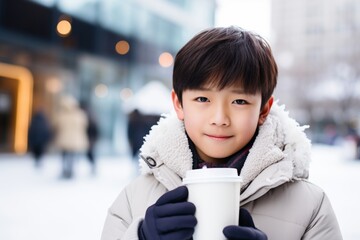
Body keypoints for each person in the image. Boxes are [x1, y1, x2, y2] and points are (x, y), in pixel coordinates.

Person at [100, 26, 342, 240]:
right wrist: (141, 236)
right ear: (179, 104)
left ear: (264, 109)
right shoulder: (135, 198)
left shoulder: (310, 206)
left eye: (239, 101)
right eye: (202, 98)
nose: (219, 119)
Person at [54, 95, 89, 179]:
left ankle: (65, 171)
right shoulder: (80, 115)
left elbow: (56, 125)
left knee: (64, 155)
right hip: (75, 139)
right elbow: (84, 125)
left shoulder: (61, 115)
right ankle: (70, 171)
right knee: (71, 156)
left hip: (64, 139)